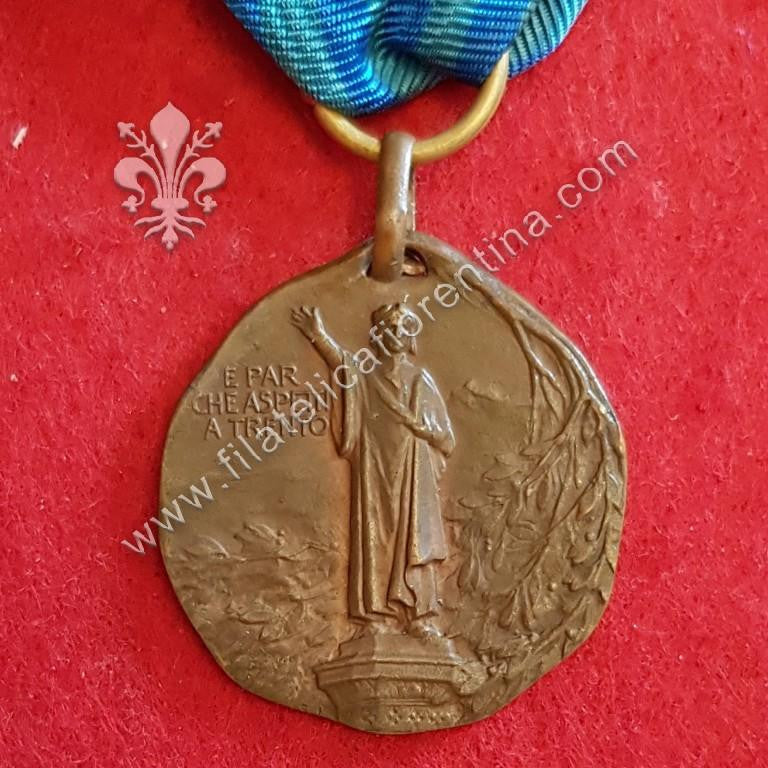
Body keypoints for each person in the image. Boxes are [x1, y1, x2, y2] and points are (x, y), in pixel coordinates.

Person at [291, 303, 455, 637]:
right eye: (388, 328)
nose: (395, 334)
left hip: (412, 468)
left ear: (411, 337)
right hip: (375, 465)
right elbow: (342, 365)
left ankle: (419, 617)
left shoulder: (420, 381)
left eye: (402, 328)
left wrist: (422, 428)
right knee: (373, 534)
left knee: (414, 536)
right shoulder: (366, 376)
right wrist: (318, 335)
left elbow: (446, 438)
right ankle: (375, 617)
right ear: (377, 336)